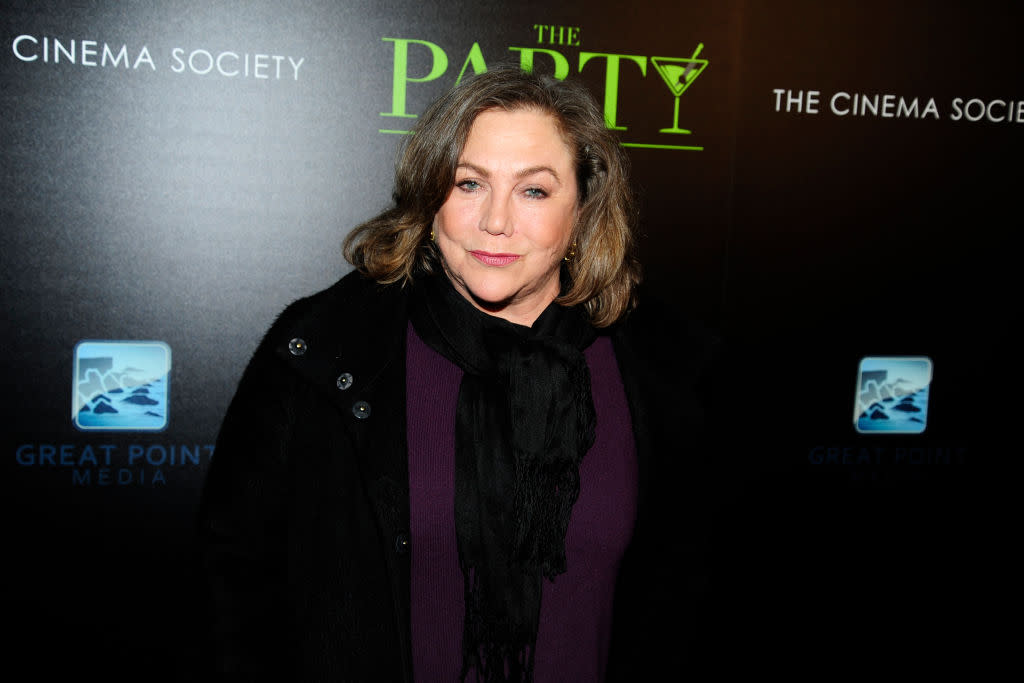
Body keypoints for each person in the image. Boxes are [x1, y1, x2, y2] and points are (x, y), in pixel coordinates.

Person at [196, 65, 716, 682]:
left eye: (534, 191)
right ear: (429, 195)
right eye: (469, 183)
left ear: (582, 211)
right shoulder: (323, 351)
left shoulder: (665, 373)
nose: (495, 221)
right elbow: (232, 587)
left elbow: (693, 598)